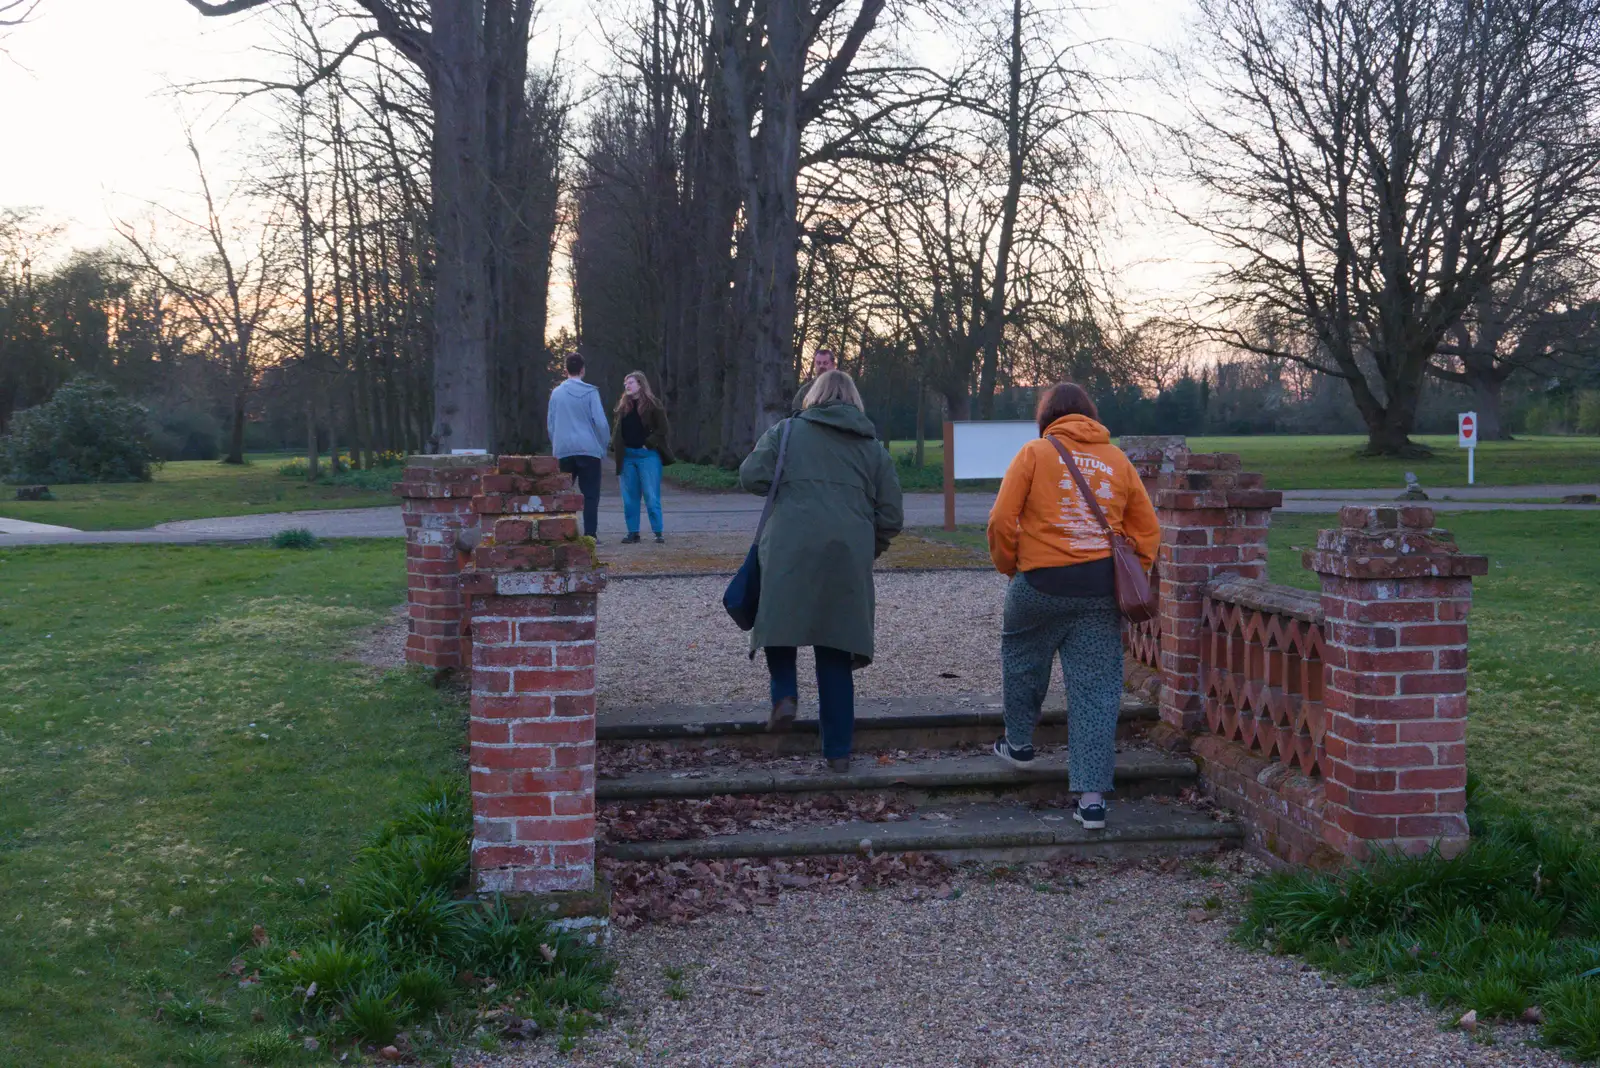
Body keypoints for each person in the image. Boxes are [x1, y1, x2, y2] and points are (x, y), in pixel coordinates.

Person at [985, 382, 1159, 830]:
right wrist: (1130, 572)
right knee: (1096, 692)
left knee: (1023, 657)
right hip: (1100, 590)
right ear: (1090, 415)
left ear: (1048, 417)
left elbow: (1002, 520)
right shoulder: (1117, 460)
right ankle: (1092, 799)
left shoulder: (1035, 454)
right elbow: (1147, 530)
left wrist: (1013, 566)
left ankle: (1019, 744)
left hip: (1040, 581)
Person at [739, 370, 904, 772]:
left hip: (788, 546)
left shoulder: (787, 432)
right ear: (855, 402)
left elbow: (751, 476)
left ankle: (784, 693)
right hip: (846, 553)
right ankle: (837, 753)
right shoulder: (873, 449)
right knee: (834, 650)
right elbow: (892, 515)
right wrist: (869, 548)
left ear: (813, 396)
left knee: (780, 622)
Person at [546, 353, 611, 538]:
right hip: (589, 450)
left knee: (562, 493)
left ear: (565, 370)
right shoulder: (590, 393)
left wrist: (556, 445)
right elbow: (600, 423)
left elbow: (550, 424)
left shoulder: (556, 394)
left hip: (563, 450)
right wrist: (603, 446)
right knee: (590, 495)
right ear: (583, 370)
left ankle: (561, 532)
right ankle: (590, 534)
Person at [611, 370, 675, 544]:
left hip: (647, 456)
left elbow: (663, 429)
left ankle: (658, 532)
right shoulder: (623, 406)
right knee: (629, 497)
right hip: (628, 457)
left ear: (640, 384)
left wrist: (649, 443)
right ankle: (633, 532)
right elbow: (618, 431)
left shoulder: (653, 405)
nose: (627, 386)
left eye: (630, 383)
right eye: (626, 384)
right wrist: (615, 445)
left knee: (651, 494)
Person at [790, 348, 837, 413]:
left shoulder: (843, 388)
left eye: (825, 363)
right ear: (814, 365)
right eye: (818, 363)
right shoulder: (805, 391)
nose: (821, 366)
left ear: (833, 365)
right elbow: (795, 412)